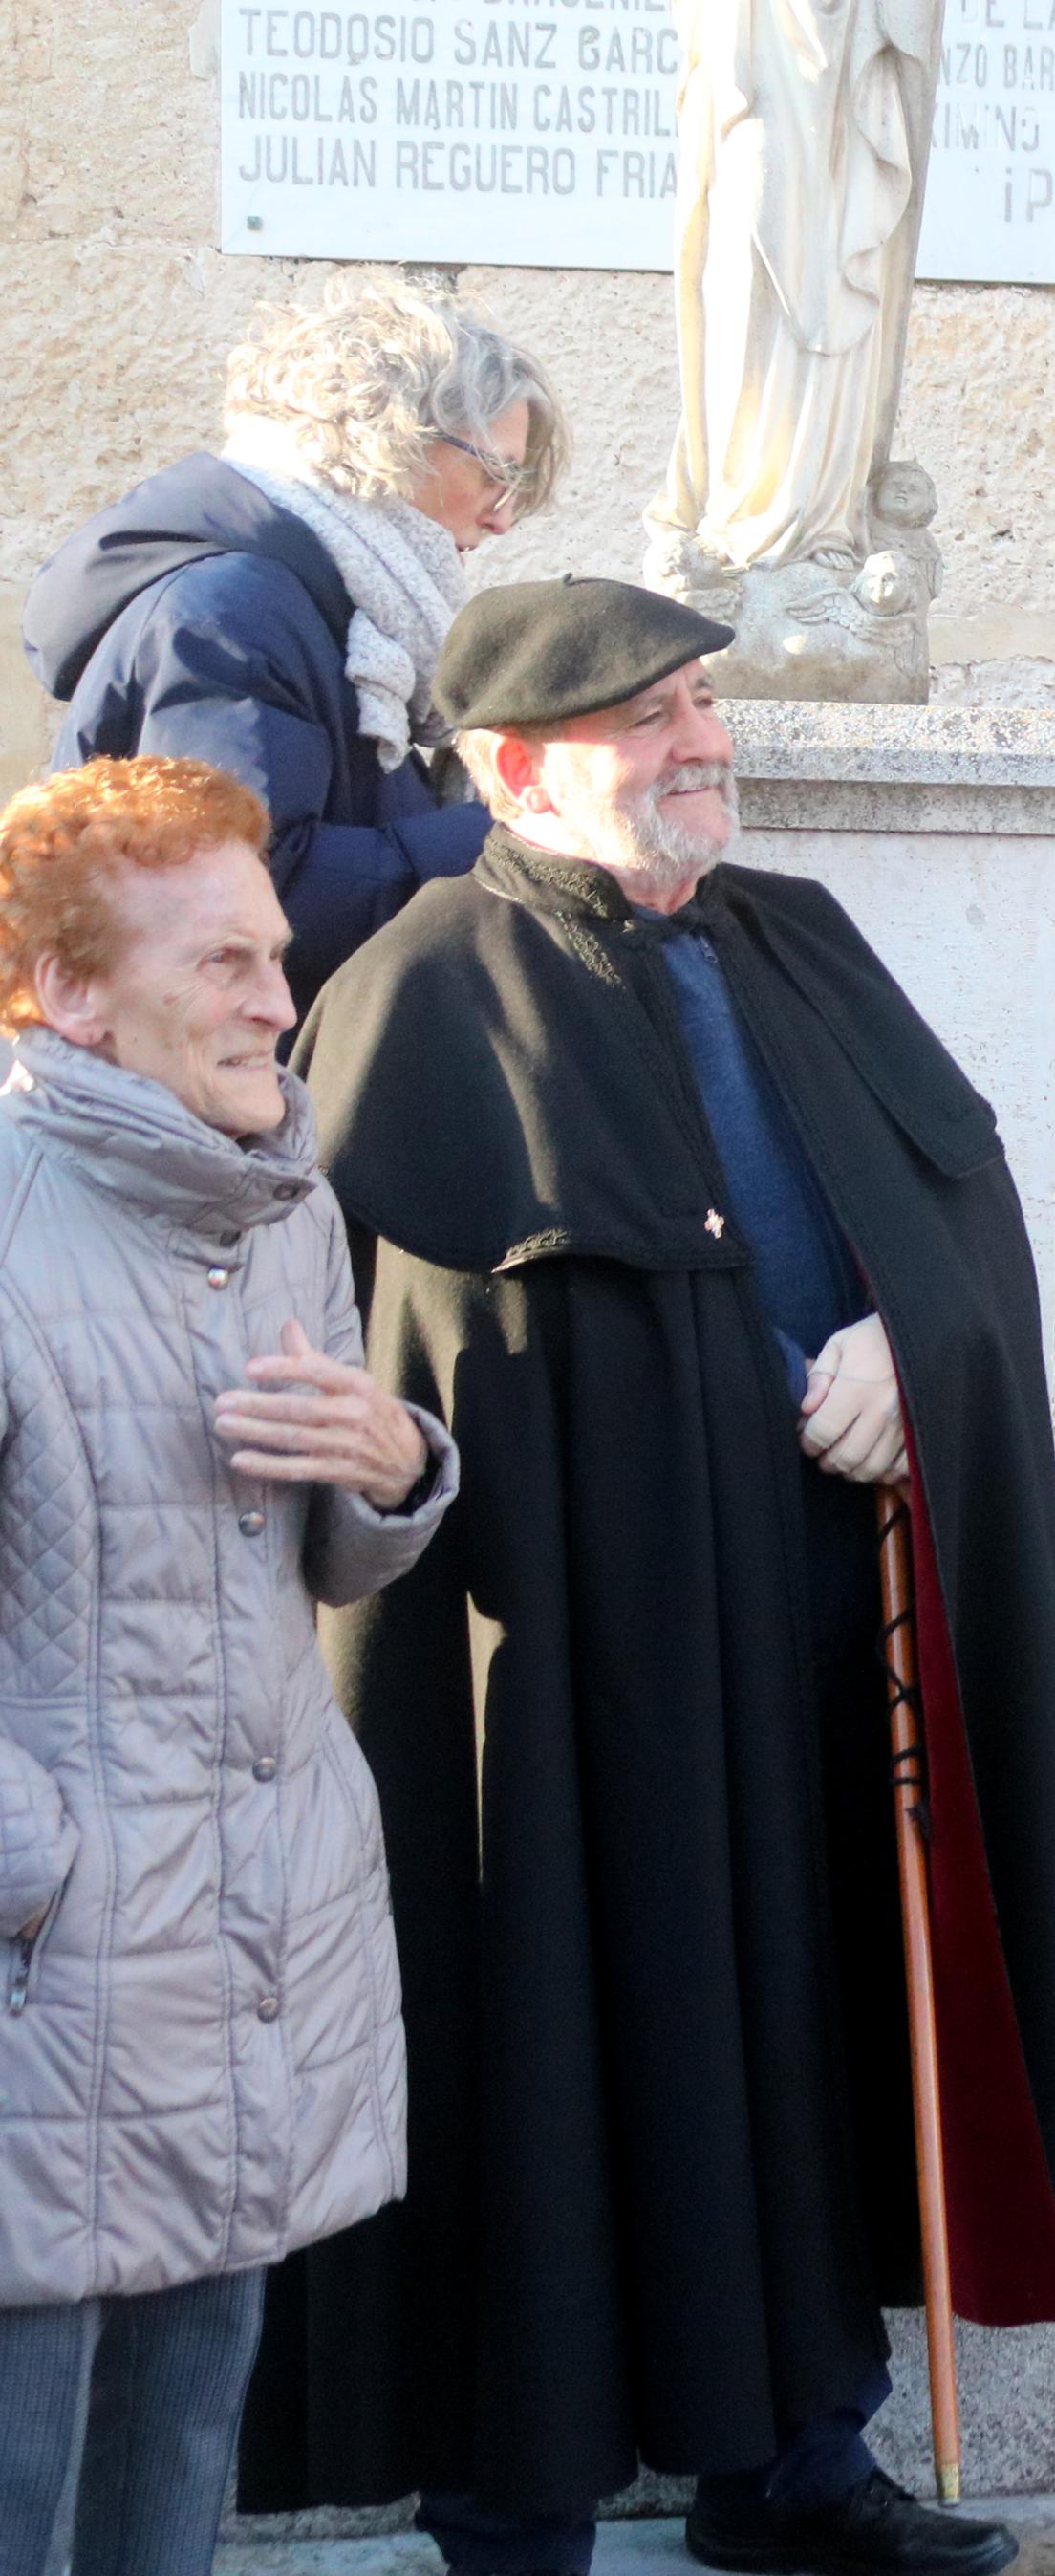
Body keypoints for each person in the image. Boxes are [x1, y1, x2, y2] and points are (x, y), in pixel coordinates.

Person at [230, 579, 1055, 2575]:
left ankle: (795, 2466)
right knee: (568, 2041)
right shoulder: (418, 997)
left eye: (699, 700)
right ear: (514, 767)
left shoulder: (795, 941)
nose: (697, 738)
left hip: (833, 1621)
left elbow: (956, 1210)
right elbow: (402, 1374)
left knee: (814, 2028)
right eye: (641, 715)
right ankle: (519, 2497)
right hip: (580, 1674)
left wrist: (917, 1346)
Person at [0, 758, 457, 2576]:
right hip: (49, 1975)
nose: (278, 997)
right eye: (222, 965)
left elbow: (327, 1561)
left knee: (176, 2481)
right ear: (68, 993)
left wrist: (395, 1462)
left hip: (255, 1944)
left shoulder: (285, 1210)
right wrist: (41, 1866)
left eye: (275, 957)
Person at [23, 284, 564, 1006]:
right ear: (391, 436)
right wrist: (513, 833)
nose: (502, 519)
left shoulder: (336, 604)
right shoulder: (231, 610)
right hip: (201, 1094)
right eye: (496, 471)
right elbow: (246, 896)